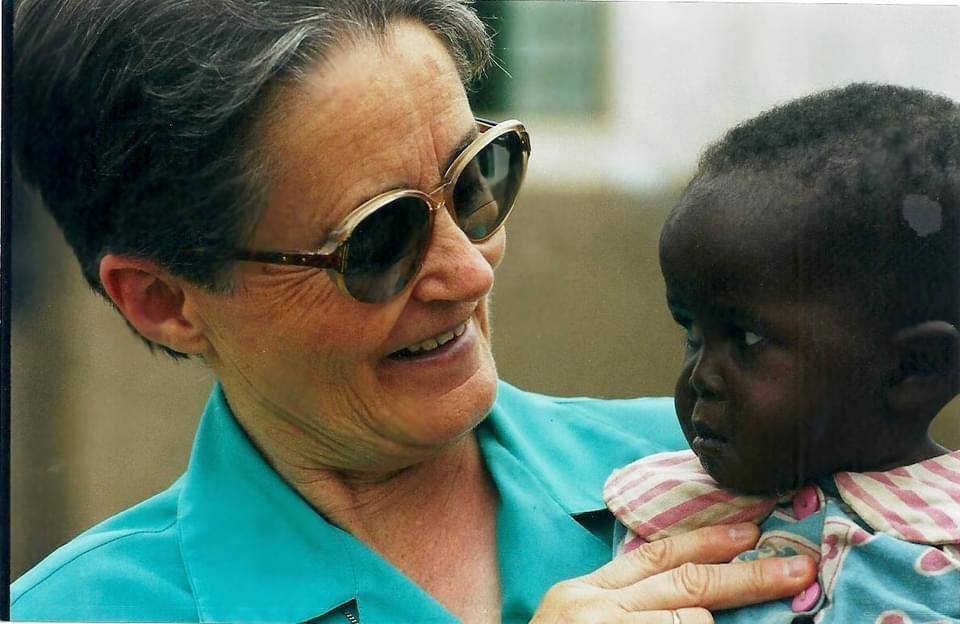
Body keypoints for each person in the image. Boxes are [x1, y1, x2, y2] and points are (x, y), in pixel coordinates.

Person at [10, 1, 818, 622]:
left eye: (476, 180)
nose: (469, 272)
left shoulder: (753, 469)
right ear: (163, 301)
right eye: (378, 241)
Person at [604, 83, 960, 622]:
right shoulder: (663, 511)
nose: (700, 378)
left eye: (748, 340)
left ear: (916, 367)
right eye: (692, 334)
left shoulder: (944, 549)